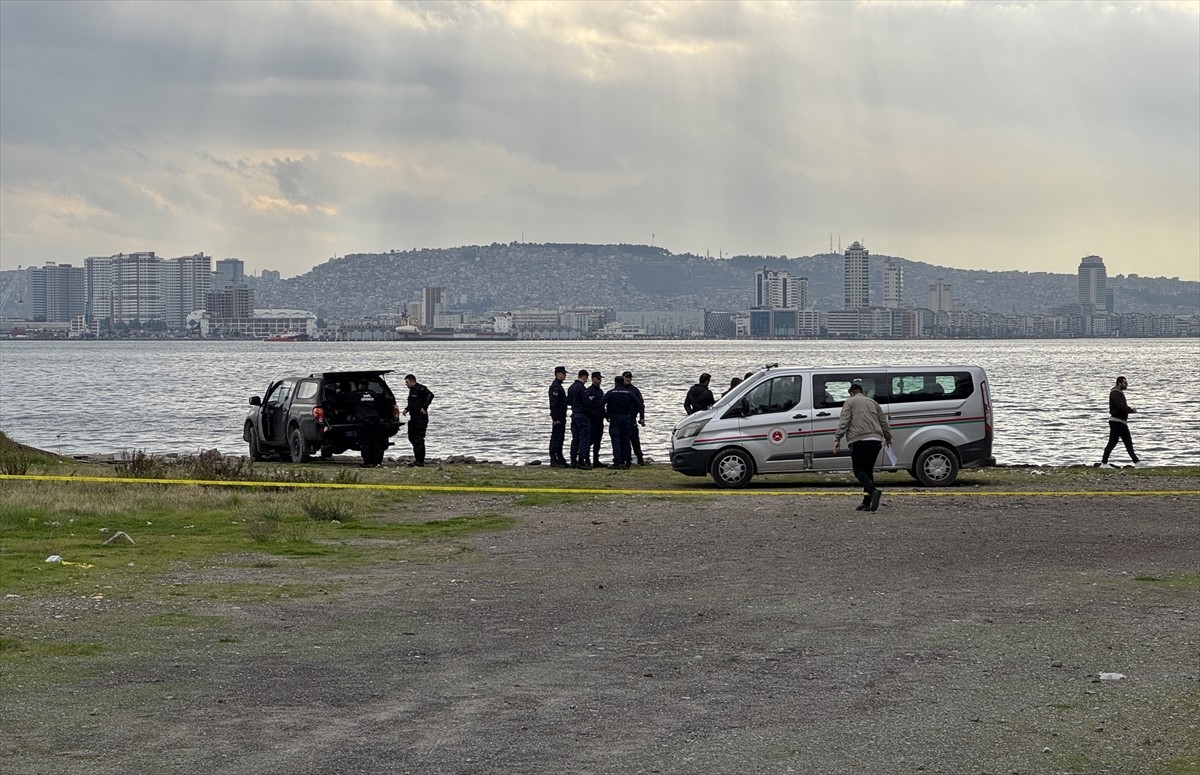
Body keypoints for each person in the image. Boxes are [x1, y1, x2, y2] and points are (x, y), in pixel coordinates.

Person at [832, 383, 893, 512]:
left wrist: (837, 438)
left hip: (860, 440)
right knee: (868, 471)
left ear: (851, 393)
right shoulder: (873, 402)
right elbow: (883, 421)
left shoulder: (850, 402)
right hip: (876, 441)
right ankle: (866, 502)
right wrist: (888, 437)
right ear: (862, 392)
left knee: (858, 470)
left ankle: (873, 491)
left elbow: (844, 421)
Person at [1099, 375, 1139, 467]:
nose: (1126, 385)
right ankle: (1137, 462)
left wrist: (1129, 409)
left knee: (1113, 443)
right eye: (1125, 383)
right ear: (1119, 383)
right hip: (1117, 422)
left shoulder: (1118, 393)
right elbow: (1120, 407)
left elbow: (1122, 406)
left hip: (1119, 422)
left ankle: (1104, 463)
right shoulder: (1115, 393)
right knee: (1126, 442)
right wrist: (1131, 410)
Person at [603, 374, 637, 468]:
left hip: (614, 418)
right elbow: (638, 404)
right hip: (625, 418)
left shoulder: (610, 393)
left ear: (615, 382)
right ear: (623, 382)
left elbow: (601, 404)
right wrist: (631, 414)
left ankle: (617, 461)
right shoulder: (629, 392)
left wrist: (606, 415)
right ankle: (627, 461)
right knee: (626, 439)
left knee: (616, 440)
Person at [350, 379, 386, 467]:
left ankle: (367, 462)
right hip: (374, 421)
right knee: (375, 441)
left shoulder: (356, 394)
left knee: (365, 442)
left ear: (360, 385)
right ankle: (376, 462)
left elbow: (344, 400)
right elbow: (380, 405)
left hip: (363, 421)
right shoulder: (374, 394)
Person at [402, 373, 434, 467]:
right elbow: (413, 403)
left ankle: (420, 461)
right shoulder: (412, 390)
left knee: (418, 439)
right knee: (411, 437)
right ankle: (417, 459)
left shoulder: (421, 388)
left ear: (412, 381)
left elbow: (430, 395)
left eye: (407, 382)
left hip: (420, 418)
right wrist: (407, 409)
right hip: (413, 417)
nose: (406, 384)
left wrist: (424, 407)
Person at [567, 368, 593, 469]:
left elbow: (568, 401)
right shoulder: (582, 389)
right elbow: (586, 403)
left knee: (575, 438)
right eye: (586, 378)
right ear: (584, 377)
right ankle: (581, 460)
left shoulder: (571, 387)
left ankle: (573, 460)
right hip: (582, 415)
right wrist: (590, 400)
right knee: (584, 438)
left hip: (574, 414)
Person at [622, 370, 646, 465]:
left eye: (630, 377)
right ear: (623, 378)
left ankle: (639, 457)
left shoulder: (635, 390)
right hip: (621, 417)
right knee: (622, 440)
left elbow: (641, 405)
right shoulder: (619, 389)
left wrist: (642, 418)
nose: (628, 379)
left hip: (631, 418)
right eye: (626, 377)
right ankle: (624, 458)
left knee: (634, 439)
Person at [547, 366, 569, 467]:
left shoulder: (559, 386)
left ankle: (560, 458)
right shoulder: (555, 387)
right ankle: (554, 459)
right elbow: (553, 403)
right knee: (556, 438)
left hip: (561, 416)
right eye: (563, 374)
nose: (565, 376)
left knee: (560, 438)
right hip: (558, 417)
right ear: (558, 374)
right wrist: (555, 418)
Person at [587, 371, 606, 467]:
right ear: (593, 379)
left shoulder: (600, 391)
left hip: (600, 419)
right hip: (592, 419)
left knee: (598, 440)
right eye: (598, 379)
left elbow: (602, 405)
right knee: (590, 439)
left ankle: (596, 460)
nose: (600, 381)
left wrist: (606, 415)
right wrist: (592, 415)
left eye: (600, 379)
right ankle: (586, 458)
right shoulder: (589, 391)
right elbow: (588, 405)